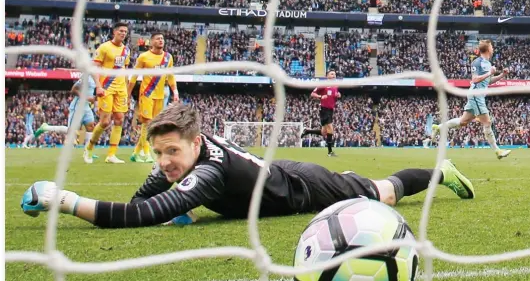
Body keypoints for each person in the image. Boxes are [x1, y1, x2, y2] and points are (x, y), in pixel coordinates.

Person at [21, 103, 476, 229]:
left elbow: (141, 215)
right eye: (159, 153)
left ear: (195, 144)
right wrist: (174, 202)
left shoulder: (207, 171)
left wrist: (59, 198)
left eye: (171, 153)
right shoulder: (182, 161)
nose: (163, 163)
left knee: (384, 193)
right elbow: (145, 198)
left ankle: (442, 171)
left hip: (304, 187)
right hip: (275, 172)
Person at [431, 40, 512, 159]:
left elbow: (487, 81)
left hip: (477, 95)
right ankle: (497, 151)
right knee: (487, 122)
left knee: (463, 122)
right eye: (492, 47)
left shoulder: (488, 63)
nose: (493, 49)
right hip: (476, 95)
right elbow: (475, 79)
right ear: (488, 49)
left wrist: (501, 75)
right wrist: (489, 72)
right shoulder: (477, 62)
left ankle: (438, 127)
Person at [127, 32, 179, 163]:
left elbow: (170, 76)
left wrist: (175, 91)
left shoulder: (168, 57)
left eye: (162, 38)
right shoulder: (144, 57)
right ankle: (146, 153)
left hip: (160, 95)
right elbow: (134, 76)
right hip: (147, 94)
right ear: (151, 42)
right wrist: (127, 94)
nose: (161, 40)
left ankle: (136, 152)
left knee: (153, 124)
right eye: (157, 39)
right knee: (147, 123)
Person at [85, 22, 131, 164]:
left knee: (119, 119)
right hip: (106, 87)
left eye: (125, 31)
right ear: (114, 32)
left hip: (121, 88)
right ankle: (89, 148)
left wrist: (127, 91)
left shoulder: (126, 50)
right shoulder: (104, 47)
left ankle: (111, 155)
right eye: (121, 31)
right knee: (105, 121)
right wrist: (98, 86)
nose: (123, 33)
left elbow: (125, 70)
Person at [34, 74, 98, 163]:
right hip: (77, 108)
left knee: (91, 128)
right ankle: (45, 128)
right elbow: (73, 90)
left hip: (87, 108)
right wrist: (86, 97)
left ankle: (87, 153)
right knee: (71, 131)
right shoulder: (86, 76)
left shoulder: (97, 77)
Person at [301, 70, 340, 157]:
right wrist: (321, 96)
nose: (334, 75)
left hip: (331, 110)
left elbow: (334, 96)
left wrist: (338, 94)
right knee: (330, 129)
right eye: (332, 74)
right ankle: (330, 152)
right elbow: (312, 94)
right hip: (324, 109)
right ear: (327, 76)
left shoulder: (335, 86)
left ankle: (307, 131)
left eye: (335, 74)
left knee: (324, 133)